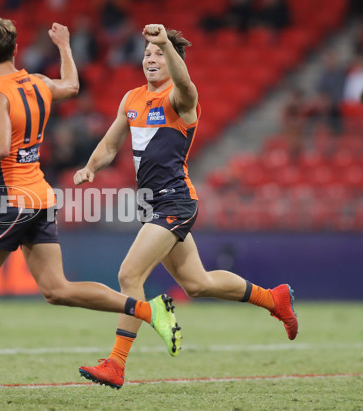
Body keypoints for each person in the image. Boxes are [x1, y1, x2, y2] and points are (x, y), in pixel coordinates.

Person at [0, 17, 180, 406]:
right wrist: (64, 47)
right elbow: (72, 85)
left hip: (9, 202)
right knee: (57, 289)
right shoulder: (36, 82)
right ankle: (146, 308)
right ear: (15, 49)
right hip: (40, 198)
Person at [74, 24, 299, 389]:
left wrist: (166, 42)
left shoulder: (180, 98)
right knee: (197, 283)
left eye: (159, 54)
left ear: (173, 60)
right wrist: (90, 167)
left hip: (175, 201)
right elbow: (110, 145)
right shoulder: (130, 100)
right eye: (147, 53)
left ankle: (116, 364)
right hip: (152, 205)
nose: (151, 58)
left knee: (130, 275)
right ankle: (274, 299)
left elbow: (187, 83)